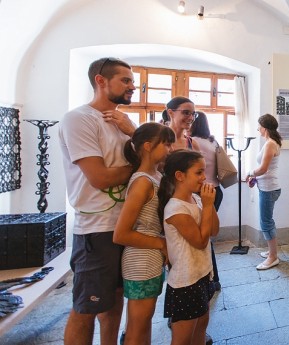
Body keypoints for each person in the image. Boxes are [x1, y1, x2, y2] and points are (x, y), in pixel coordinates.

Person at [58, 57, 136, 345]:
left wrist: (133, 132)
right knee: (86, 308)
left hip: (125, 224)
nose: (132, 87)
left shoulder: (124, 123)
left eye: (132, 81)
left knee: (115, 299)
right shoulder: (79, 118)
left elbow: (152, 164)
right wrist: (138, 168)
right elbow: (100, 177)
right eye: (125, 80)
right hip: (96, 227)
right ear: (100, 81)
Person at [113, 122, 175, 345]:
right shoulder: (142, 182)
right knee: (137, 327)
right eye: (166, 145)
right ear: (148, 146)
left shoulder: (155, 175)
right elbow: (121, 234)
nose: (169, 149)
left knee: (144, 321)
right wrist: (161, 243)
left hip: (150, 258)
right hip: (141, 260)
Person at [158, 150, 220, 345]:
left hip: (202, 274)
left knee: (201, 325)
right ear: (180, 176)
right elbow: (201, 241)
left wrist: (208, 204)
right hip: (185, 282)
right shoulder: (175, 208)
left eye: (204, 172)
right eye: (198, 172)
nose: (204, 177)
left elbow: (214, 230)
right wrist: (208, 206)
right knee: (183, 338)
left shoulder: (196, 199)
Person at [190, 111, 223, 290]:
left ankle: (211, 278)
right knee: (208, 232)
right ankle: (214, 278)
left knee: (203, 235)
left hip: (203, 191)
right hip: (216, 189)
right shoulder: (213, 141)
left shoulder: (193, 142)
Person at [246, 114, 282, 270]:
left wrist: (250, 173)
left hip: (269, 189)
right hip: (267, 187)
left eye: (259, 126)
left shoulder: (270, 144)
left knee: (266, 222)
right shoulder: (270, 143)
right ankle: (271, 251)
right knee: (267, 221)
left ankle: (273, 257)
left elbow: (263, 169)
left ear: (265, 128)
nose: (258, 129)